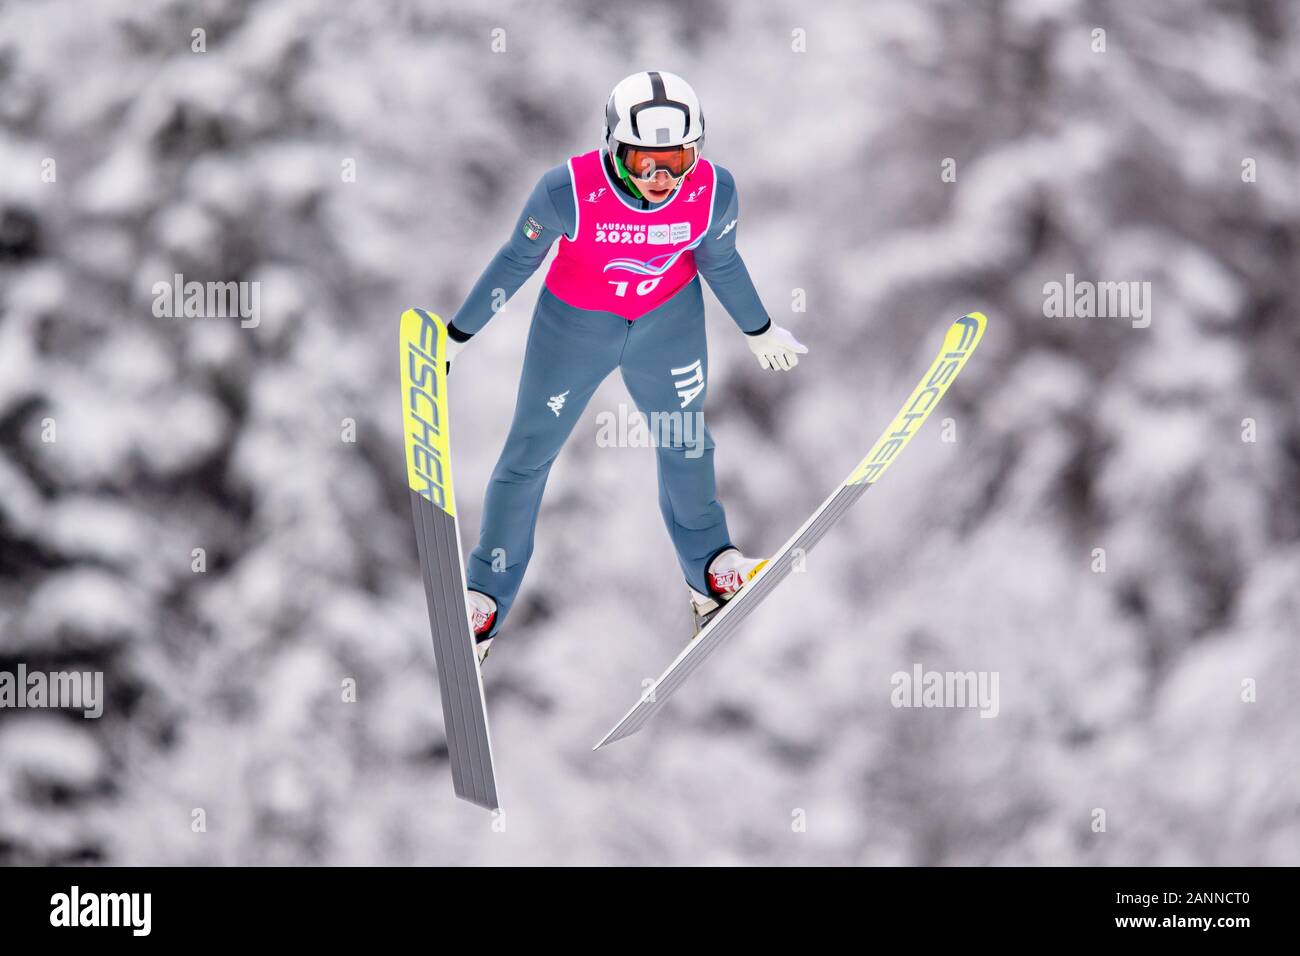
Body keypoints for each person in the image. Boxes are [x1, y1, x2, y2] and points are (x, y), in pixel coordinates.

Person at [448, 70, 807, 660]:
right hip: (574, 331)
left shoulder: (713, 191)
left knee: (686, 440)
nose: (662, 178)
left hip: (668, 325)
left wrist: (759, 328)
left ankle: (712, 573)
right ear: (615, 148)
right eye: (645, 162)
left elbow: (720, 261)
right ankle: (484, 598)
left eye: (678, 160)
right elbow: (516, 260)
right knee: (529, 454)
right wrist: (458, 334)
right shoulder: (566, 191)